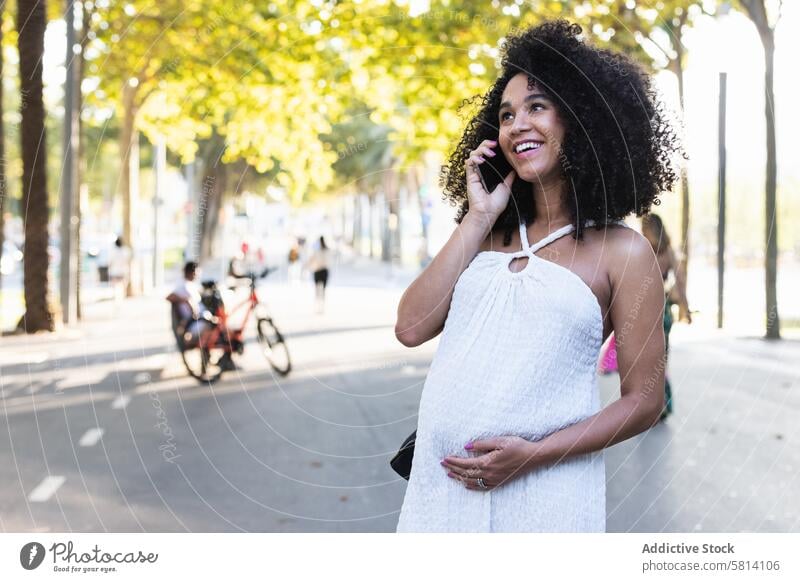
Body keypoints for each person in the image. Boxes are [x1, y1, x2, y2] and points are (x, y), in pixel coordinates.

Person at [394, 21, 680, 533]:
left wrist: (533, 455)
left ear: (580, 120)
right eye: (505, 115)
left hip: (545, 498)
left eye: (536, 107)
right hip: (438, 497)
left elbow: (644, 400)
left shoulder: (623, 252)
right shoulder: (485, 234)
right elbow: (411, 327)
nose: (516, 124)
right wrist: (478, 216)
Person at [641, 214, 692, 421]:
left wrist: (685, 308)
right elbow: (679, 282)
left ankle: (656, 405)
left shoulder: (643, 250)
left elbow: (679, 281)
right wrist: (685, 308)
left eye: (645, 229)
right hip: (654, 310)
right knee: (658, 359)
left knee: (653, 360)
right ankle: (657, 404)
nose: (643, 233)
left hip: (651, 311)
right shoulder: (666, 252)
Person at [305, 236, 330, 313]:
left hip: (318, 271)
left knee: (317, 290)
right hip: (325, 271)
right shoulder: (327, 251)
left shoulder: (318, 252)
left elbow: (310, 260)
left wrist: (307, 267)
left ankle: (318, 307)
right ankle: (321, 307)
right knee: (323, 290)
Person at [108, 236, 131, 302]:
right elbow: (127, 261)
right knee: (122, 287)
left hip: (114, 272)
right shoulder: (125, 250)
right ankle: (120, 299)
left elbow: (110, 262)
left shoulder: (113, 251)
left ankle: (117, 298)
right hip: (123, 272)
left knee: (115, 287)